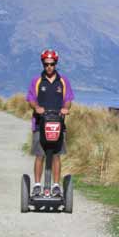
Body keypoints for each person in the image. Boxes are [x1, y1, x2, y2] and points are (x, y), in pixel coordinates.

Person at [26, 49, 75, 197]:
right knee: (40, 155)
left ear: (56, 64)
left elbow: (68, 99)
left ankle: (55, 186)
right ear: (42, 63)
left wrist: (65, 109)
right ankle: (37, 185)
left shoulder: (63, 81)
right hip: (40, 124)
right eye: (46, 64)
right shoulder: (37, 81)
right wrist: (36, 107)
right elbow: (31, 99)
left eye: (52, 64)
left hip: (58, 124)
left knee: (56, 156)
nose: (49, 67)